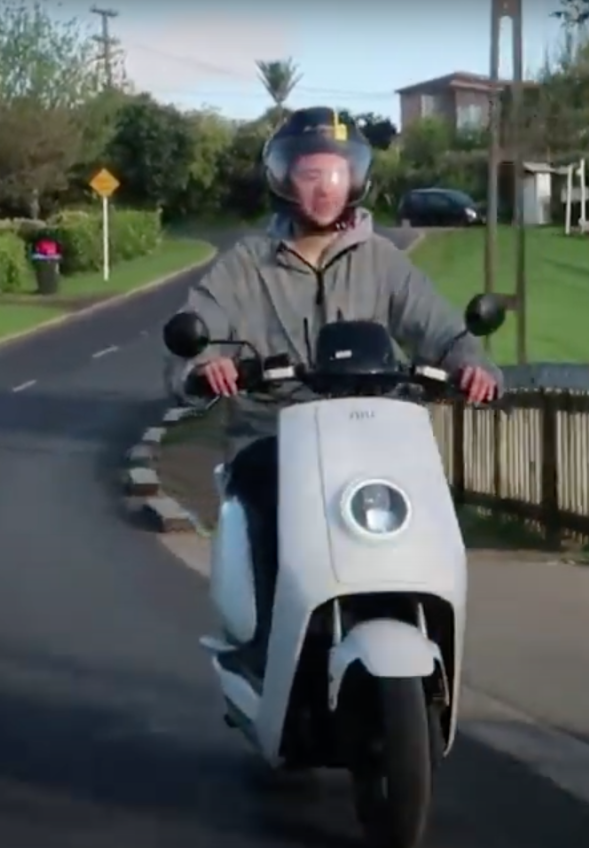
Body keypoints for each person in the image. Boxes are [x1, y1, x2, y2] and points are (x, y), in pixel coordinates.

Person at [165, 107, 502, 676]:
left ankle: (426, 625)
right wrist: (206, 365)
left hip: (373, 435)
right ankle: (267, 648)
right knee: (270, 509)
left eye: (336, 173)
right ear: (283, 179)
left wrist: (473, 364)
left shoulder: (383, 261)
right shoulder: (247, 264)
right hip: (271, 433)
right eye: (309, 174)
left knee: (421, 502)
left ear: (357, 178)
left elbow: (440, 329)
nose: (324, 188)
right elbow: (195, 330)